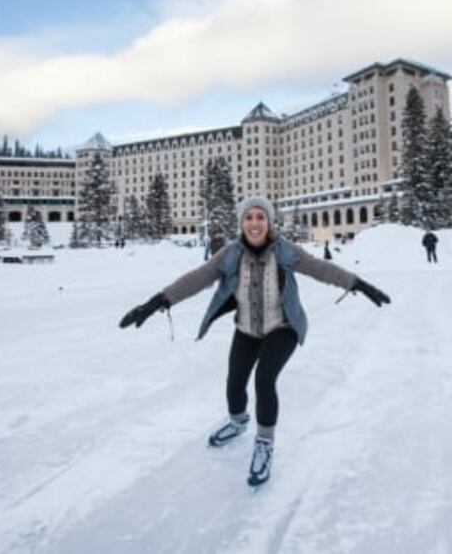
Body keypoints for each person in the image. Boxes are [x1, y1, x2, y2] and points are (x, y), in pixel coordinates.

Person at [119, 195, 391, 486]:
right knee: (234, 382)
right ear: (242, 223)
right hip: (246, 329)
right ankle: (238, 421)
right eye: (249, 217)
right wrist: (158, 301)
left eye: (261, 217)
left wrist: (357, 283)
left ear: (269, 222)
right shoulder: (231, 254)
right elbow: (197, 278)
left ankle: (264, 442)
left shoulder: (285, 251)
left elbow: (320, 268)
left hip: (282, 327)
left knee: (264, 380)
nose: (255, 223)